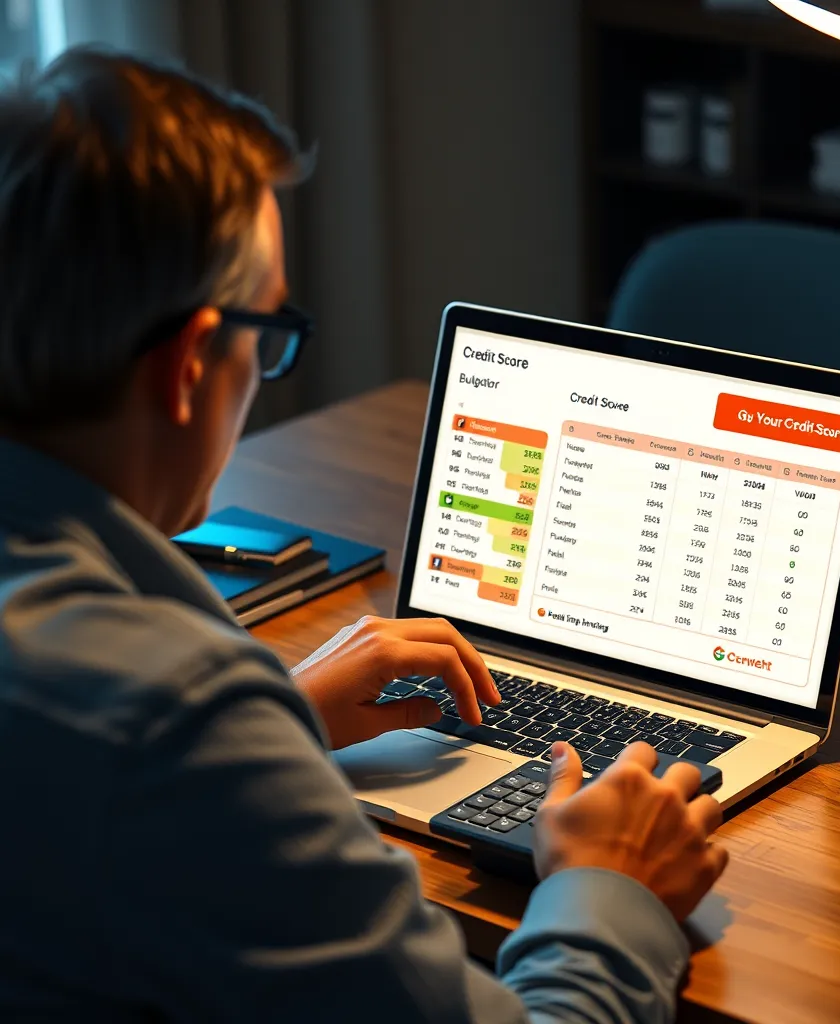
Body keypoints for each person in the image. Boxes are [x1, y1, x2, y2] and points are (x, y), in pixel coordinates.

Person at [0, 48, 728, 1023]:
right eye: (269, 330)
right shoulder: (180, 719)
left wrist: (277, 728)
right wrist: (610, 888)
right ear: (187, 365)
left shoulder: (148, 707)